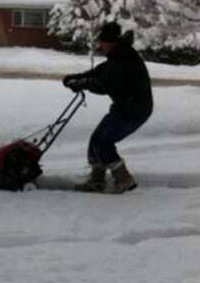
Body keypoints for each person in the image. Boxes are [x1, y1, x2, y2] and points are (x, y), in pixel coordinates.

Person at [62, 22, 153, 194]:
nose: (99, 45)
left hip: (134, 110)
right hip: (124, 107)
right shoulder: (118, 56)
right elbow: (100, 73)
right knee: (96, 139)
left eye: (102, 42)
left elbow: (105, 84)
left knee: (104, 142)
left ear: (111, 42)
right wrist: (75, 78)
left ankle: (124, 179)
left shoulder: (123, 59)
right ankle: (97, 180)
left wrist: (82, 83)